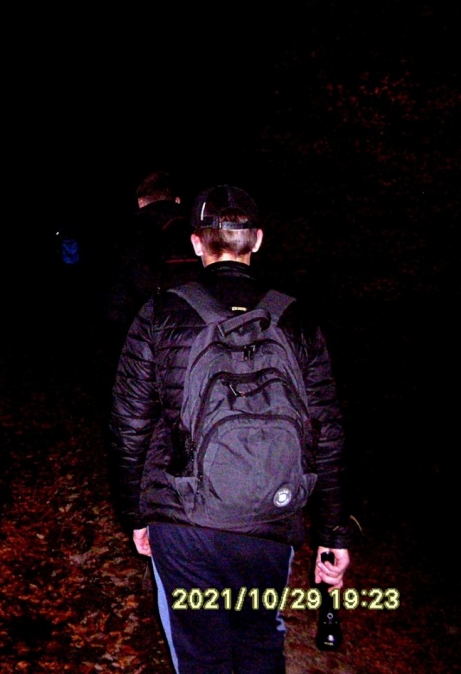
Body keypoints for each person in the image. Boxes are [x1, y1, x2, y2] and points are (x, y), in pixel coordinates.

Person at [108, 185, 352, 673]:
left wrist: (135, 515)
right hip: (270, 519)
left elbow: (128, 426)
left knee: (201, 653)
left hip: (184, 521)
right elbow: (326, 430)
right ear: (257, 240)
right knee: (259, 640)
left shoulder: (160, 314)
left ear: (197, 243)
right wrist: (333, 531)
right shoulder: (296, 317)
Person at [102, 170, 198, 350]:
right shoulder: (196, 226)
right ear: (177, 199)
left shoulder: (129, 230)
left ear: (140, 201)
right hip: (196, 329)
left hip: (144, 330)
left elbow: (118, 290)